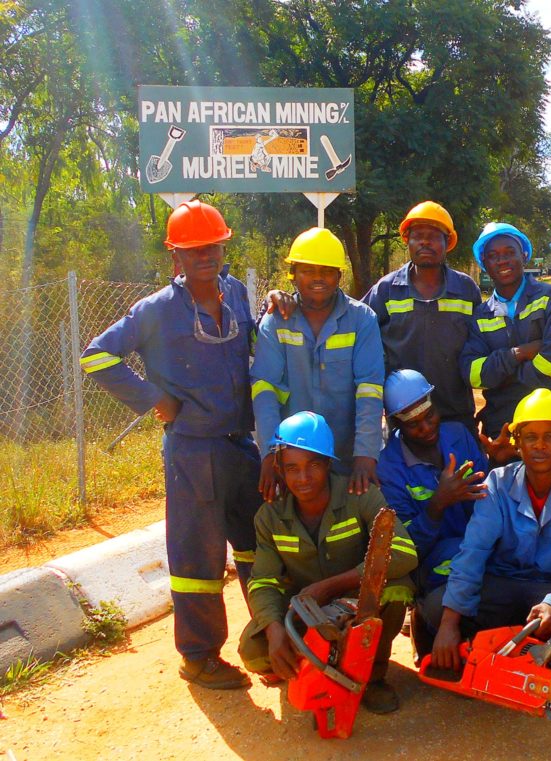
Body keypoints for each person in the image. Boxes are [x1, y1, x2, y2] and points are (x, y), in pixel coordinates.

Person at [80, 200, 261, 690]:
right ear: (176, 256)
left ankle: (266, 639)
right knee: (197, 557)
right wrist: (152, 397)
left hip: (240, 445)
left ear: (223, 247)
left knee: (255, 546)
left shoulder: (238, 294)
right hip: (192, 451)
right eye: (193, 249)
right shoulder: (156, 310)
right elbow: (96, 356)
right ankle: (199, 657)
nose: (205, 255)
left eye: (213, 246)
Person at [427, 389, 551, 682]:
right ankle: (487, 650)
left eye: (549, 436)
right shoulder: (497, 484)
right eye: (530, 437)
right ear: (518, 444)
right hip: (502, 585)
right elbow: (473, 551)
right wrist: (449, 623)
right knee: (437, 608)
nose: (540, 445)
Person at [238, 412, 418, 714]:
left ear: (328, 464)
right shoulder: (269, 518)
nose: (303, 478)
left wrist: (331, 586)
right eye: (292, 468)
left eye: (313, 466)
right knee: (253, 650)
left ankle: (372, 677)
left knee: (395, 591)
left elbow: (403, 553)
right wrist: (274, 631)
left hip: (357, 601)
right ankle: (310, 667)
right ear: (279, 469)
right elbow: (263, 581)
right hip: (308, 609)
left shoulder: (360, 496)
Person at [251, 226, 384, 502]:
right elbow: (264, 391)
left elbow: (369, 390)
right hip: (293, 463)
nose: (318, 278)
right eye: (308, 271)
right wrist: (269, 455)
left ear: (339, 275)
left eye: (326, 270)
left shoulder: (362, 320)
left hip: (346, 455)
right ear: (293, 275)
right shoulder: (275, 322)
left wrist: (366, 453)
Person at [375, 369, 489, 658]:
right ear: (396, 422)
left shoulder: (459, 436)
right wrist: (438, 504)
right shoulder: (389, 467)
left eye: (429, 416)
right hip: (433, 565)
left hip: (477, 549)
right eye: (414, 425)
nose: (426, 427)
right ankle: (425, 613)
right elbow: (408, 548)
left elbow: (487, 499)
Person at [460, 222, 551, 450]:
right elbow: (472, 374)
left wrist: (502, 380)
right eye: (493, 255)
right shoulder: (480, 317)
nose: (502, 260)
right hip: (503, 434)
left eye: (509, 252)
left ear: (524, 256)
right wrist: (517, 354)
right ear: (483, 264)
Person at [363, 201, 481, 430]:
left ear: (448, 243)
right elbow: (352, 321)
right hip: (404, 418)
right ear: (407, 241)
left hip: (457, 416)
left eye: (434, 236)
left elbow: (481, 343)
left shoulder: (466, 289)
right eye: (418, 236)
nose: (425, 242)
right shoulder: (387, 290)